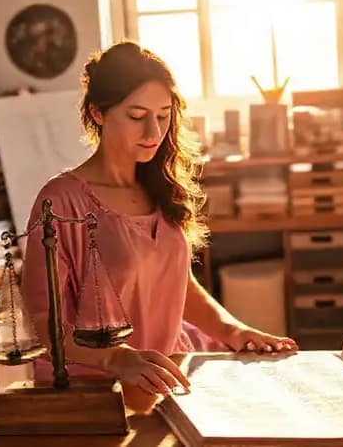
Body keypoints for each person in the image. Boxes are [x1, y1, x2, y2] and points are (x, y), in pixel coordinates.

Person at [21, 41, 298, 397]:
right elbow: (41, 321)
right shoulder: (61, 201)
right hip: (97, 387)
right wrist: (117, 358)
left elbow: (176, 284)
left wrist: (233, 331)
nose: (153, 133)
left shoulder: (161, 186)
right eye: (137, 117)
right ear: (97, 113)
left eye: (163, 116)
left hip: (168, 376)